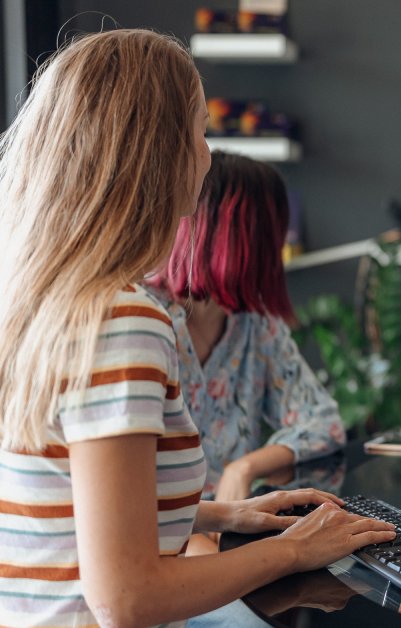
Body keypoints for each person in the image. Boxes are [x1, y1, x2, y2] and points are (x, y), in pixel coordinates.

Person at [0, 30, 394, 626]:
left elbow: (67, 509)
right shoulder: (122, 321)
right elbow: (128, 599)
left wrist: (222, 515)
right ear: (158, 154)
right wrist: (295, 549)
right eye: (200, 131)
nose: (208, 156)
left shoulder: (40, 304)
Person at [148, 151, 345, 508]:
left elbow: (323, 422)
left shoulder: (256, 325)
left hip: (227, 526)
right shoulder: (142, 317)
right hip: (155, 532)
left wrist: (244, 468)